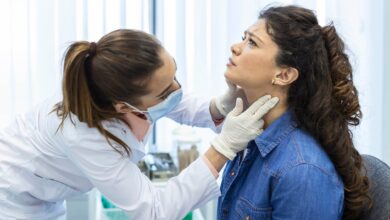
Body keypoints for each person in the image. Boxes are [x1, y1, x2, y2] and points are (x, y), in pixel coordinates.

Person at [0, 29, 279, 219]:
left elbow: (175, 103)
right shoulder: (83, 135)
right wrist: (223, 148)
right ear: (123, 106)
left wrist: (221, 105)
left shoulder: (125, 87)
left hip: (46, 195)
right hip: (15, 201)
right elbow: (153, 212)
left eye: (174, 73)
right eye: (166, 89)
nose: (177, 88)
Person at [217, 5, 371, 220]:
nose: (235, 47)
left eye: (252, 42)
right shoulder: (249, 138)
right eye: (244, 38)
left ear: (284, 75)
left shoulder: (302, 171)